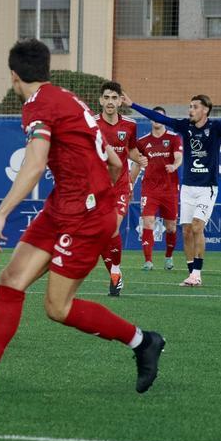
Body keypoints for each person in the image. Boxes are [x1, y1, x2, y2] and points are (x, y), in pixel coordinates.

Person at [0, 39, 164, 396]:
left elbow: (36, 163)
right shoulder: (66, 97)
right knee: (11, 279)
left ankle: (143, 341)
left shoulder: (37, 106)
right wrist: (99, 191)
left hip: (84, 217)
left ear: (13, 76)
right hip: (64, 208)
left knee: (57, 307)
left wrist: (0, 214)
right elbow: (115, 162)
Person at [126, 92, 221, 287]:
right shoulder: (185, 126)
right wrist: (133, 104)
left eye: (195, 107)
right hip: (188, 188)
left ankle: (197, 273)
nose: (191, 110)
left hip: (207, 188)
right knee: (187, 231)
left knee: (198, 227)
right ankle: (192, 274)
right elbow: (159, 118)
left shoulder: (215, 128)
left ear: (205, 110)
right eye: (190, 107)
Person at [94, 82, 146, 297]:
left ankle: (115, 270)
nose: (110, 102)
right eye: (106, 97)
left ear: (120, 101)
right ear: (100, 101)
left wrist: (141, 159)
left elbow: (131, 150)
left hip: (121, 186)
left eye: (114, 98)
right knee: (100, 235)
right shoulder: (92, 125)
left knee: (111, 228)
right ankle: (114, 273)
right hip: (98, 188)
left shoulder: (130, 125)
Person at [134, 107, 183, 271]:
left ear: (165, 119)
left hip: (169, 190)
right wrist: (130, 182)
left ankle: (168, 257)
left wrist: (174, 165)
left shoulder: (173, 138)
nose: (156, 119)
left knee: (171, 227)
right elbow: (137, 162)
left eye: (160, 117)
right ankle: (148, 261)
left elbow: (178, 156)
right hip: (150, 189)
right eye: (154, 117)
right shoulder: (142, 142)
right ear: (150, 119)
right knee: (148, 222)